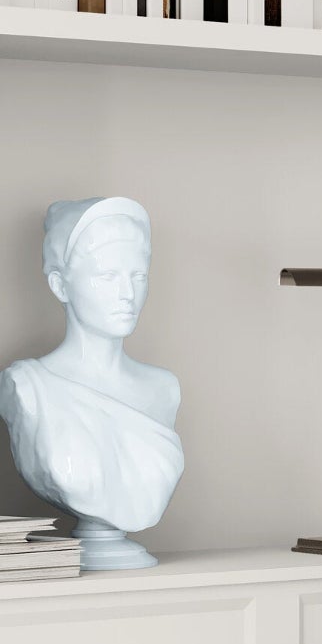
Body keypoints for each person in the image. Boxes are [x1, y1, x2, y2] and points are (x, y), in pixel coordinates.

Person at [0, 198, 184, 571]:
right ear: (60, 285)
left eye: (139, 275)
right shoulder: (27, 386)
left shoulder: (164, 388)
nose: (127, 294)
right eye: (107, 276)